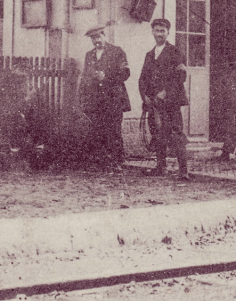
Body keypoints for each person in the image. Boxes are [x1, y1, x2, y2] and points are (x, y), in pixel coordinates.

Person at [138, 18, 190, 180]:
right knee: (157, 133)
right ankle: (161, 167)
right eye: (157, 30)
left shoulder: (175, 52)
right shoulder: (149, 55)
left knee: (176, 134)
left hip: (170, 102)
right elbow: (143, 78)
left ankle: (184, 171)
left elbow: (181, 75)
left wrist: (166, 91)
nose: (159, 34)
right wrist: (145, 95)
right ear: (152, 32)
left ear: (168, 32)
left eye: (163, 31)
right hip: (153, 103)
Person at [80, 26, 131, 171]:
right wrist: (84, 96)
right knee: (97, 130)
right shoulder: (89, 55)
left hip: (113, 98)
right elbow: (85, 77)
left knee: (113, 130)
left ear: (104, 35)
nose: (96, 40)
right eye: (92, 38)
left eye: (98, 37)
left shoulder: (117, 52)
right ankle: (101, 162)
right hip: (95, 100)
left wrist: (107, 77)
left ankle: (117, 162)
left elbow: (126, 73)